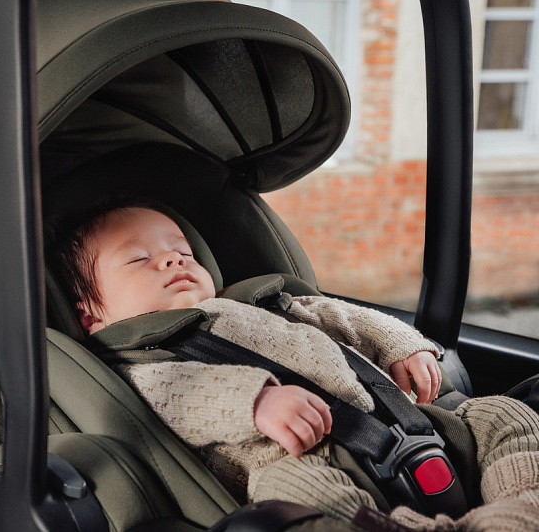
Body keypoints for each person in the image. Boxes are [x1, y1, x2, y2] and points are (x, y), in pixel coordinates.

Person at [55, 201, 539, 531]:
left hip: (403, 424)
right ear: (92, 316)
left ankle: (517, 508)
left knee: (501, 413)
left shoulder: (265, 303)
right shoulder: (139, 361)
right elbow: (176, 396)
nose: (171, 261)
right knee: (291, 491)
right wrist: (256, 402)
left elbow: (346, 317)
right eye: (139, 259)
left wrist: (402, 346)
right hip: (298, 458)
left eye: (183, 252)